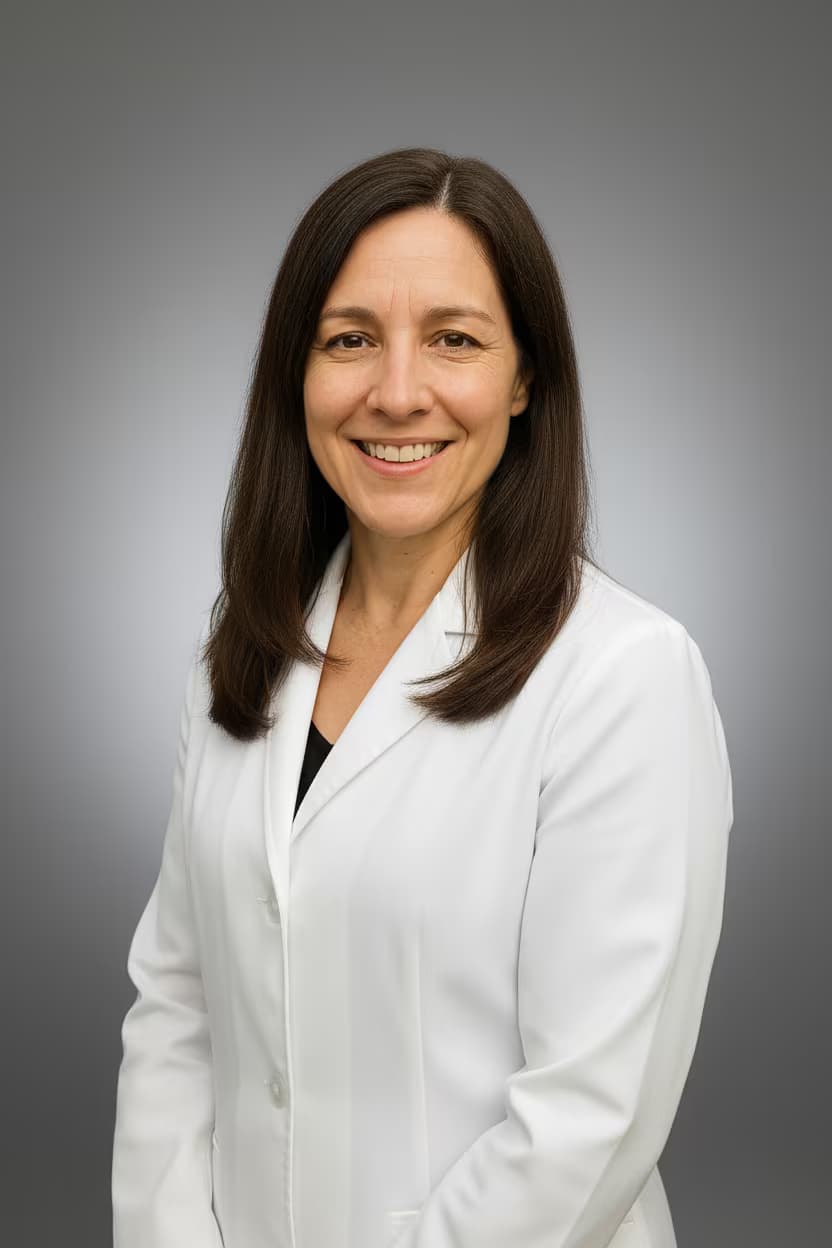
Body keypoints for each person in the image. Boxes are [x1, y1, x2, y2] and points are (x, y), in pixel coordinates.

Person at [111, 146, 733, 1248]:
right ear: (294, 376)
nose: (397, 392)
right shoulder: (238, 655)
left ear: (525, 378)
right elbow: (179, 1014)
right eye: (349, 340)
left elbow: (589, 1119)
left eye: (453, 339)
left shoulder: (623, 677)